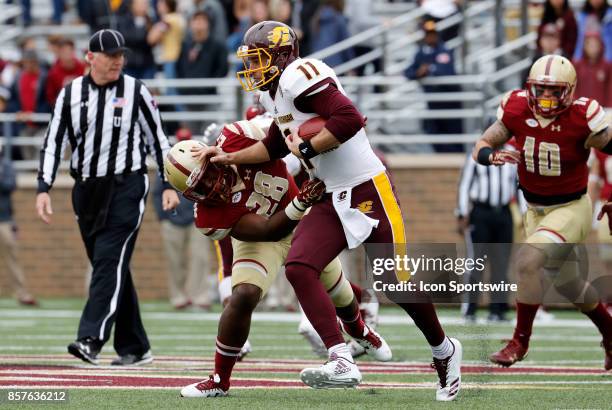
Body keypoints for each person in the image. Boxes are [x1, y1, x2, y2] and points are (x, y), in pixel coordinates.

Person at [206, 20, 463, 401]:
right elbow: (275, 147)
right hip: (328, 193)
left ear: (281, 57)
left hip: (366, 187)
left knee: (394, 283)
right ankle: (340, 356)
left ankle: (444, 350)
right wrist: (229, 158)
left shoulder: (299, 76)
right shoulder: (273, 95)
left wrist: (308, 148)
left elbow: (349, 118)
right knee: (299, 266)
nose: (253, 69)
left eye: (259, 60)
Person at [164, 120, 390, 398]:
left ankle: (360, 330)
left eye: (208, 175)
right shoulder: (207, 216)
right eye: (200, 187)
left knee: (339, 293)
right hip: (262, 239)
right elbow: (268, 231)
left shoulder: (238, 138)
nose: (211, 186)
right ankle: (220, 380)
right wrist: (301, 202)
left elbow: (281, 138)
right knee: (244, 294)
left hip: (301, 223)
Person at [36, 29, 180, 366]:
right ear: (90, 57)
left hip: (127, 185)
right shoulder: (70, 94)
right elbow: (53, 142)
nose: (118, 61)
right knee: (112, 266)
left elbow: (159, 141)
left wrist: (170, 184)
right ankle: (135, 346)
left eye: (120, 55)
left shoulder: (136, 91)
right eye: (110, 55)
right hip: (86, 190)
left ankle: (90, 338)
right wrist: (43, 187)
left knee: (107, 260)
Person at [472, 54, 612, 370]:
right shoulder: (516, 107)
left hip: (571, 208)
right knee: (570, 285)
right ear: (530, 88)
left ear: (570, 91)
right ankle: (610, 331)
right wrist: (490, 156)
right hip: (534, 210)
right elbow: (480, 144)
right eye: (541, 90)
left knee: (527, 261)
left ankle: (519, 341)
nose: (546, 98)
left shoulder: (584, 115)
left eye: (554, 91)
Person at [153, 129, 218, 310]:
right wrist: (163, 216)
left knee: (200, 258)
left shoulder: (199, 161)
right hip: (172, 219)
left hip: (195, 218)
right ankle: (179, 296)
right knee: (175, 260)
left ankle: (200, 296)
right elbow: (157, 192)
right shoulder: (170, 163)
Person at [456, 143, 520, 322]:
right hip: (480, 213)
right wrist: (462, 213)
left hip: (504, 212)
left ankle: (498, 311)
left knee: (501, 264)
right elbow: (464, 186)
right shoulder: (476, 153)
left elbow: (519, 186)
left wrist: (524, 213)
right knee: (475, 262)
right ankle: (470, 311)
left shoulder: (511, 154)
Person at [404, 20, 463, 153]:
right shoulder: (422, 52)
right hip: (433, 101)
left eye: (433, 34)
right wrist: (418, 73)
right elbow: (408, 72)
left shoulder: (445, 50)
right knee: (434, 131)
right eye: (428, 34)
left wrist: (429, 69)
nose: (431, 37)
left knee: (452, 132)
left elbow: (447, 72)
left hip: (449, 101)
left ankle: (454, 157)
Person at [0, 148, 37, 306]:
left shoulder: (6, 166)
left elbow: (10, 186)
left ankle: (21, 293)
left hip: (4, 219)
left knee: (12, 257)